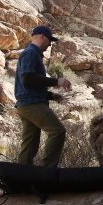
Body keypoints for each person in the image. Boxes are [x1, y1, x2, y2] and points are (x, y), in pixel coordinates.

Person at [13, 26, 72, 167]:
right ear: (42, 37)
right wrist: (56, 81)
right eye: (49, 40)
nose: (50, 44)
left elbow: (30, 85)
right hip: (32, 105)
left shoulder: (30, 53)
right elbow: (28, 78)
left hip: (25, 105)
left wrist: (52, 96)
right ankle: (46, 172)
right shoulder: (31, 53)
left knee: (30, 145)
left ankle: (22, 178)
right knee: (58, 132)